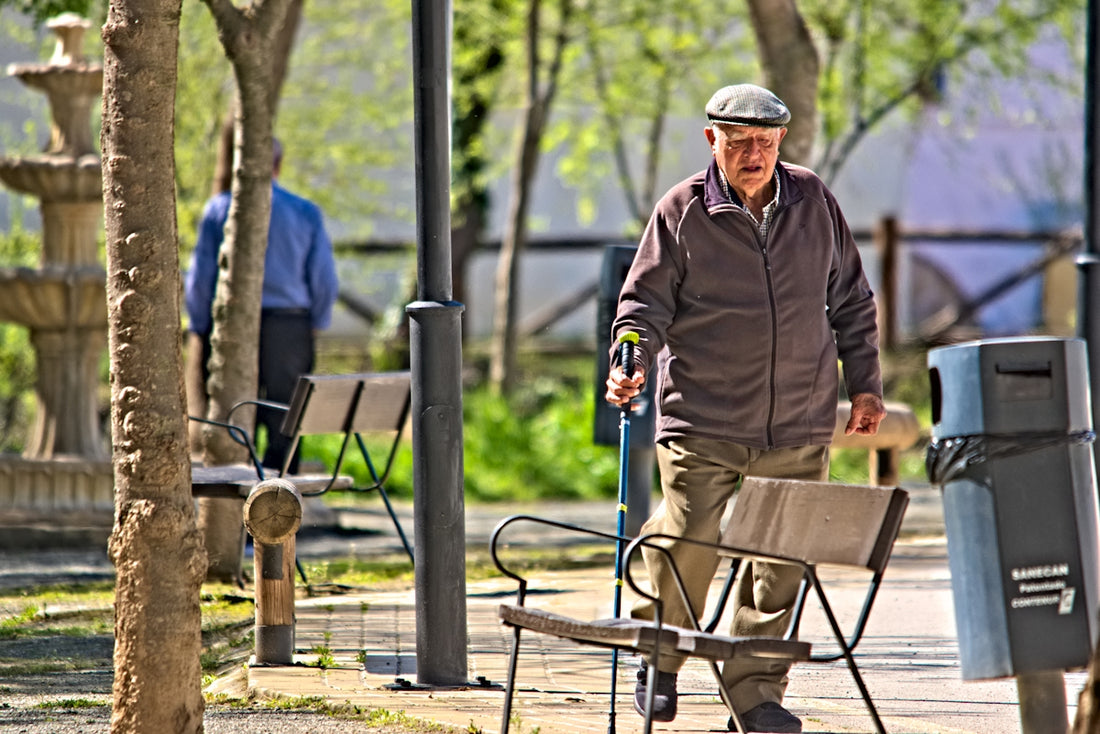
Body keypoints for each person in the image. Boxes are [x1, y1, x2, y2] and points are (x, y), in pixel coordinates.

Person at [604, 83, 886, 733]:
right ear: (713, 142)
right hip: (703, 415)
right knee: (687, 538)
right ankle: (660, 655)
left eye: (763, 142)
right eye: (738, 143)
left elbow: (850, 299)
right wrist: (630, 356)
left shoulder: (814, 200)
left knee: (780, 561)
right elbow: (640, 307)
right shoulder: (683, 210)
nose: (752, 154)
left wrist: (865, 385)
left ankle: (755, 694)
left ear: (781, 142)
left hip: (798, 418)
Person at [185, 138, 339, 474]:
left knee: (237, 413)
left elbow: (201, 277)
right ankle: (281, 501)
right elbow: (324, 279)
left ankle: (240, 502)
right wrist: (316, 322)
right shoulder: (304, 212)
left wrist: (199, 325)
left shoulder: (218, 210)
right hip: (290, 325)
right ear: (278, 165)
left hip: (233, 323)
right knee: (286, 417)